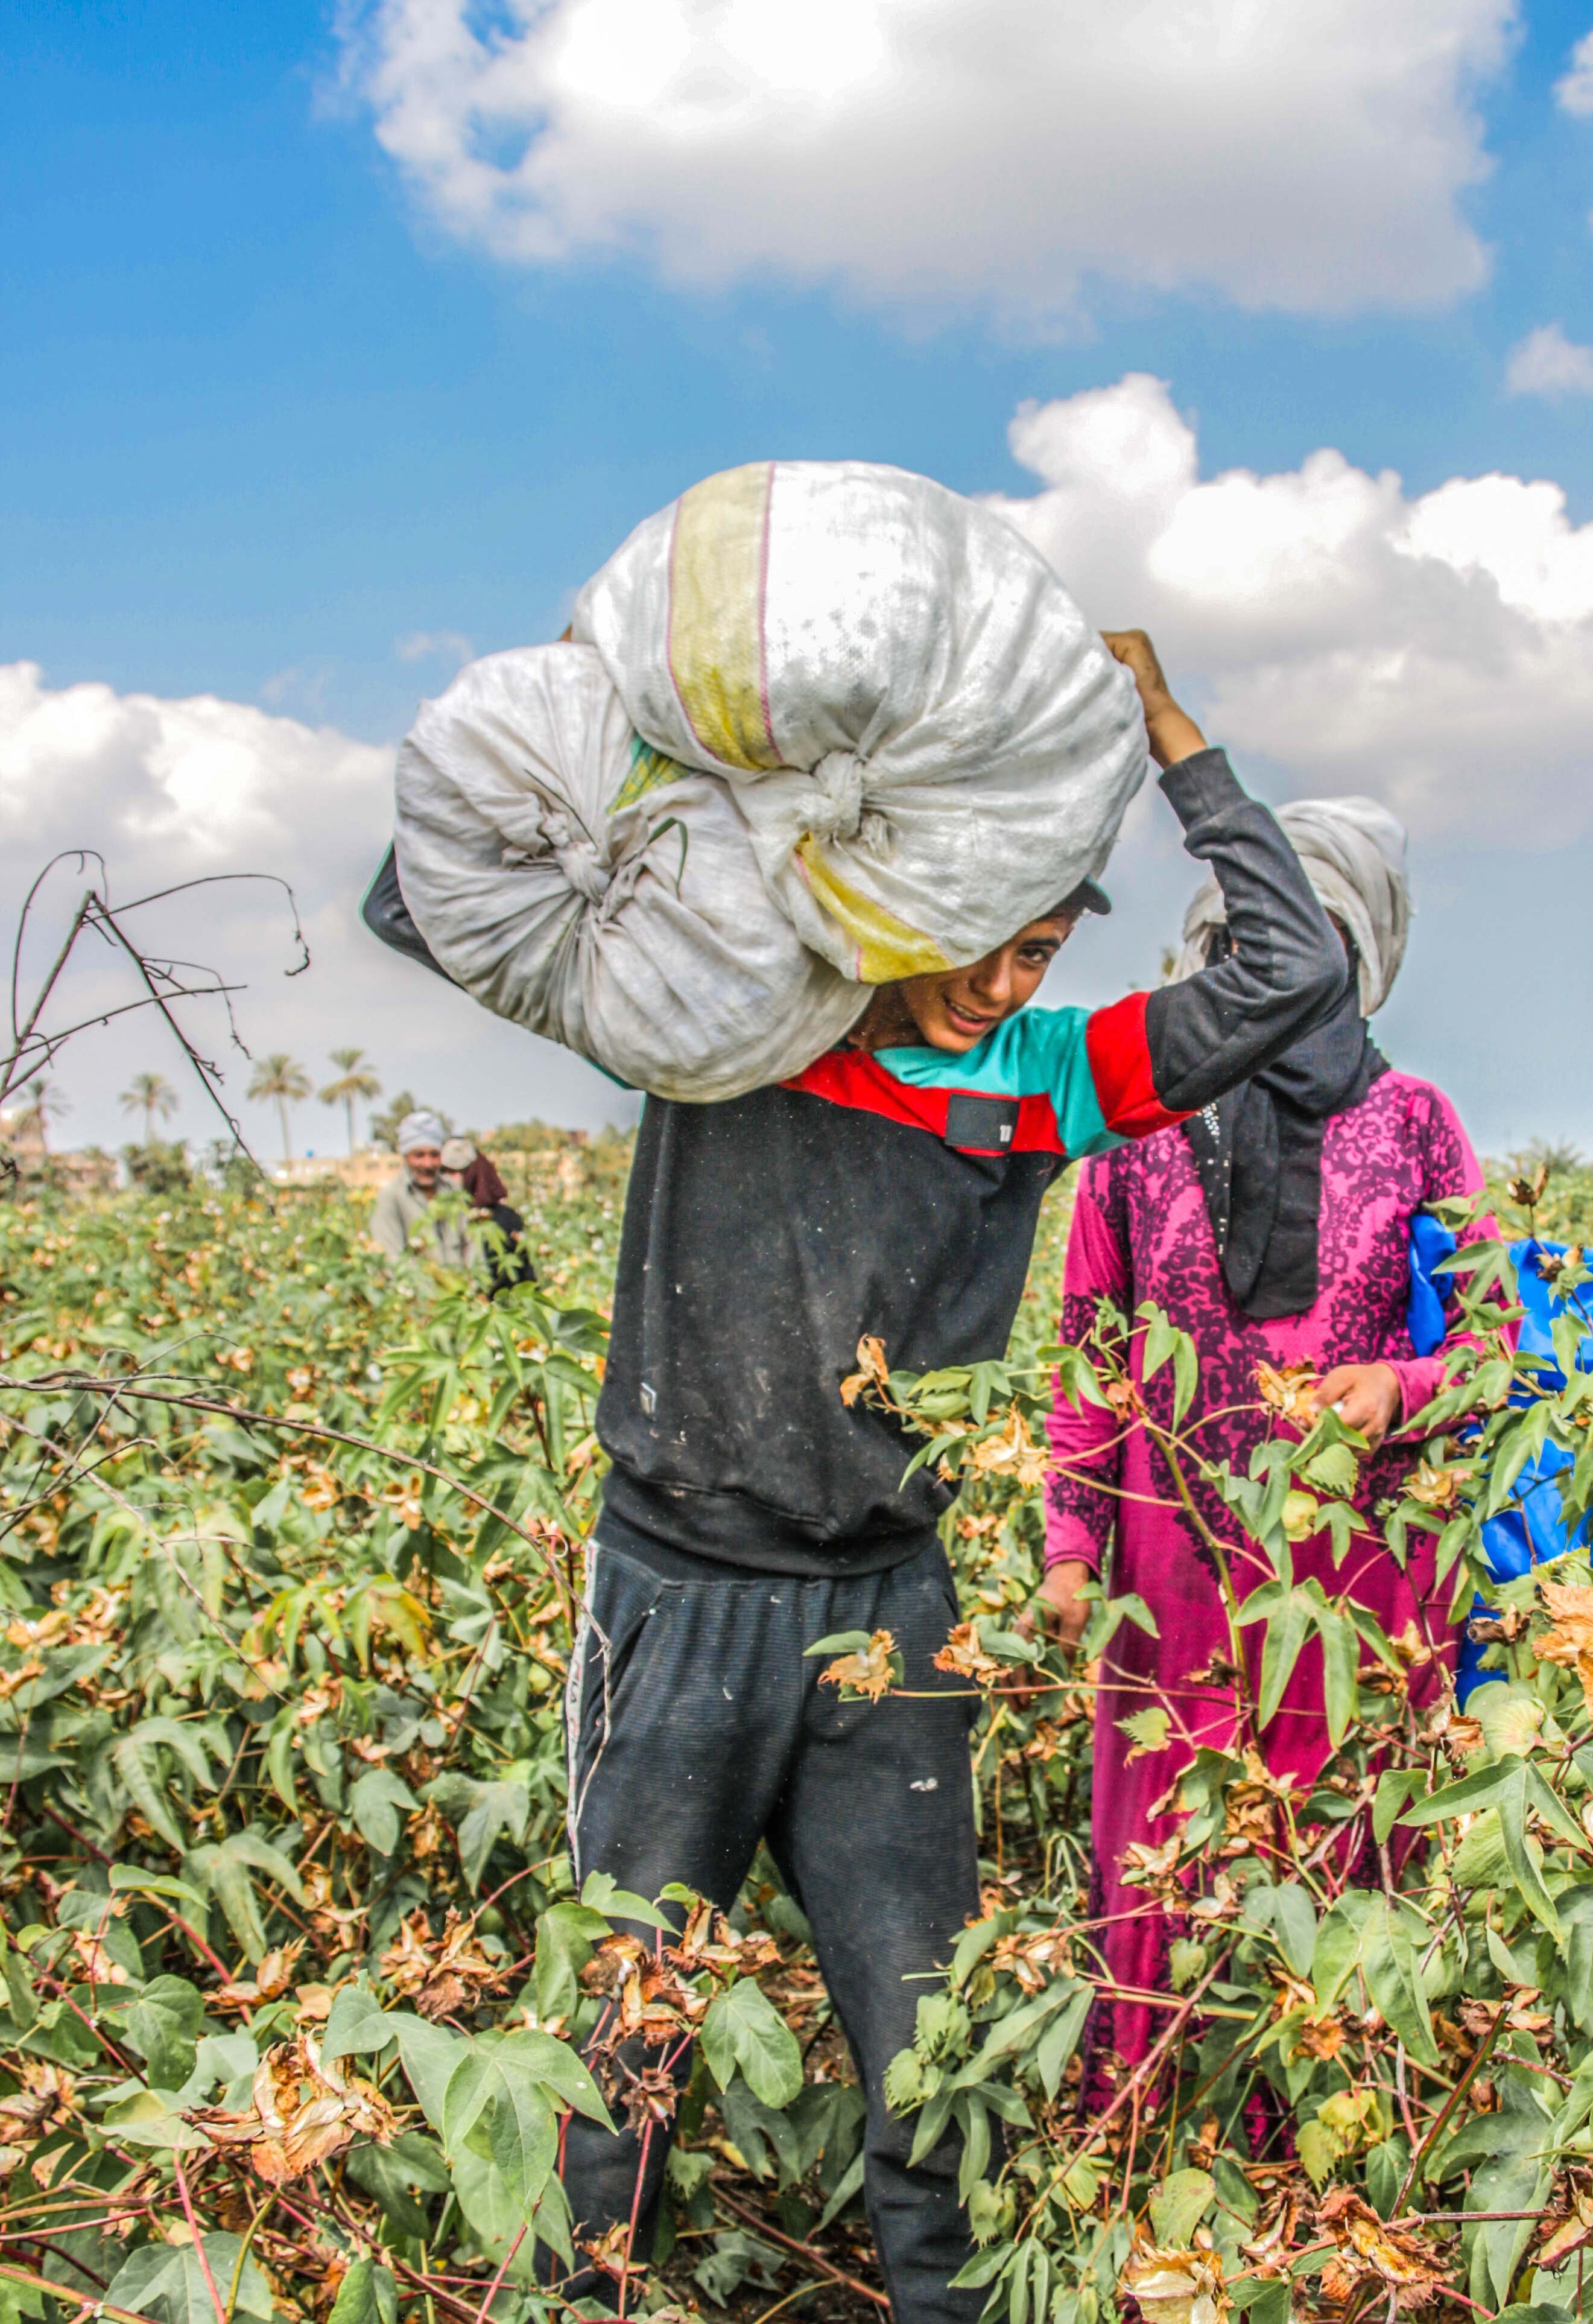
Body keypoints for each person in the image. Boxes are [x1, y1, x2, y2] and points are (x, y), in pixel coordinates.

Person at [367, 632, 1348, 2322]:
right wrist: (706, 765)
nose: (1002, 984)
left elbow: (1288, 977)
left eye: (1040, 949)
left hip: (892, 1619)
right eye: (982, 943)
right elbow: (427, 896)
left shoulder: (1048, 1077)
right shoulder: (734, 1014)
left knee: (931, 2053)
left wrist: (1183, 746)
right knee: (620, 2043)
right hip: (678, 1597)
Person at [1037, 799, 1498, 2072]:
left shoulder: (1416, 1122)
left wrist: (1396, 1392)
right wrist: (1072, 1545)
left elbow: (1492, 1349)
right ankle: (1162, 2135)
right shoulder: (1136, 1133)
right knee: (1173, 1857)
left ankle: (1333, 2173)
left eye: (1308, 953)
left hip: (1361, 1576)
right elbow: (1091, 1356)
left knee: (1342, 1856)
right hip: (1171, 1571)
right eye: (1248, 954)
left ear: (1358, 958)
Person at [367, 1110, 470, 1268]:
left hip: (462, 1289)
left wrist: (476, 1286)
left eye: (434, 1155)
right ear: (406, 1156)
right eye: (419, 1155)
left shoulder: (453, 1192)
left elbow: (472, 1248)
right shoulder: (391, 1196)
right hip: (416, 1290)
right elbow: (392, 1259)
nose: (428, 1164)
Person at [439, 1135, 536, 1290]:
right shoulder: (446, 1217)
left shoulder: (504, 1219)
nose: (448, 1179)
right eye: (445, 1172)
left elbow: (522, 1273)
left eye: (455, 1172)